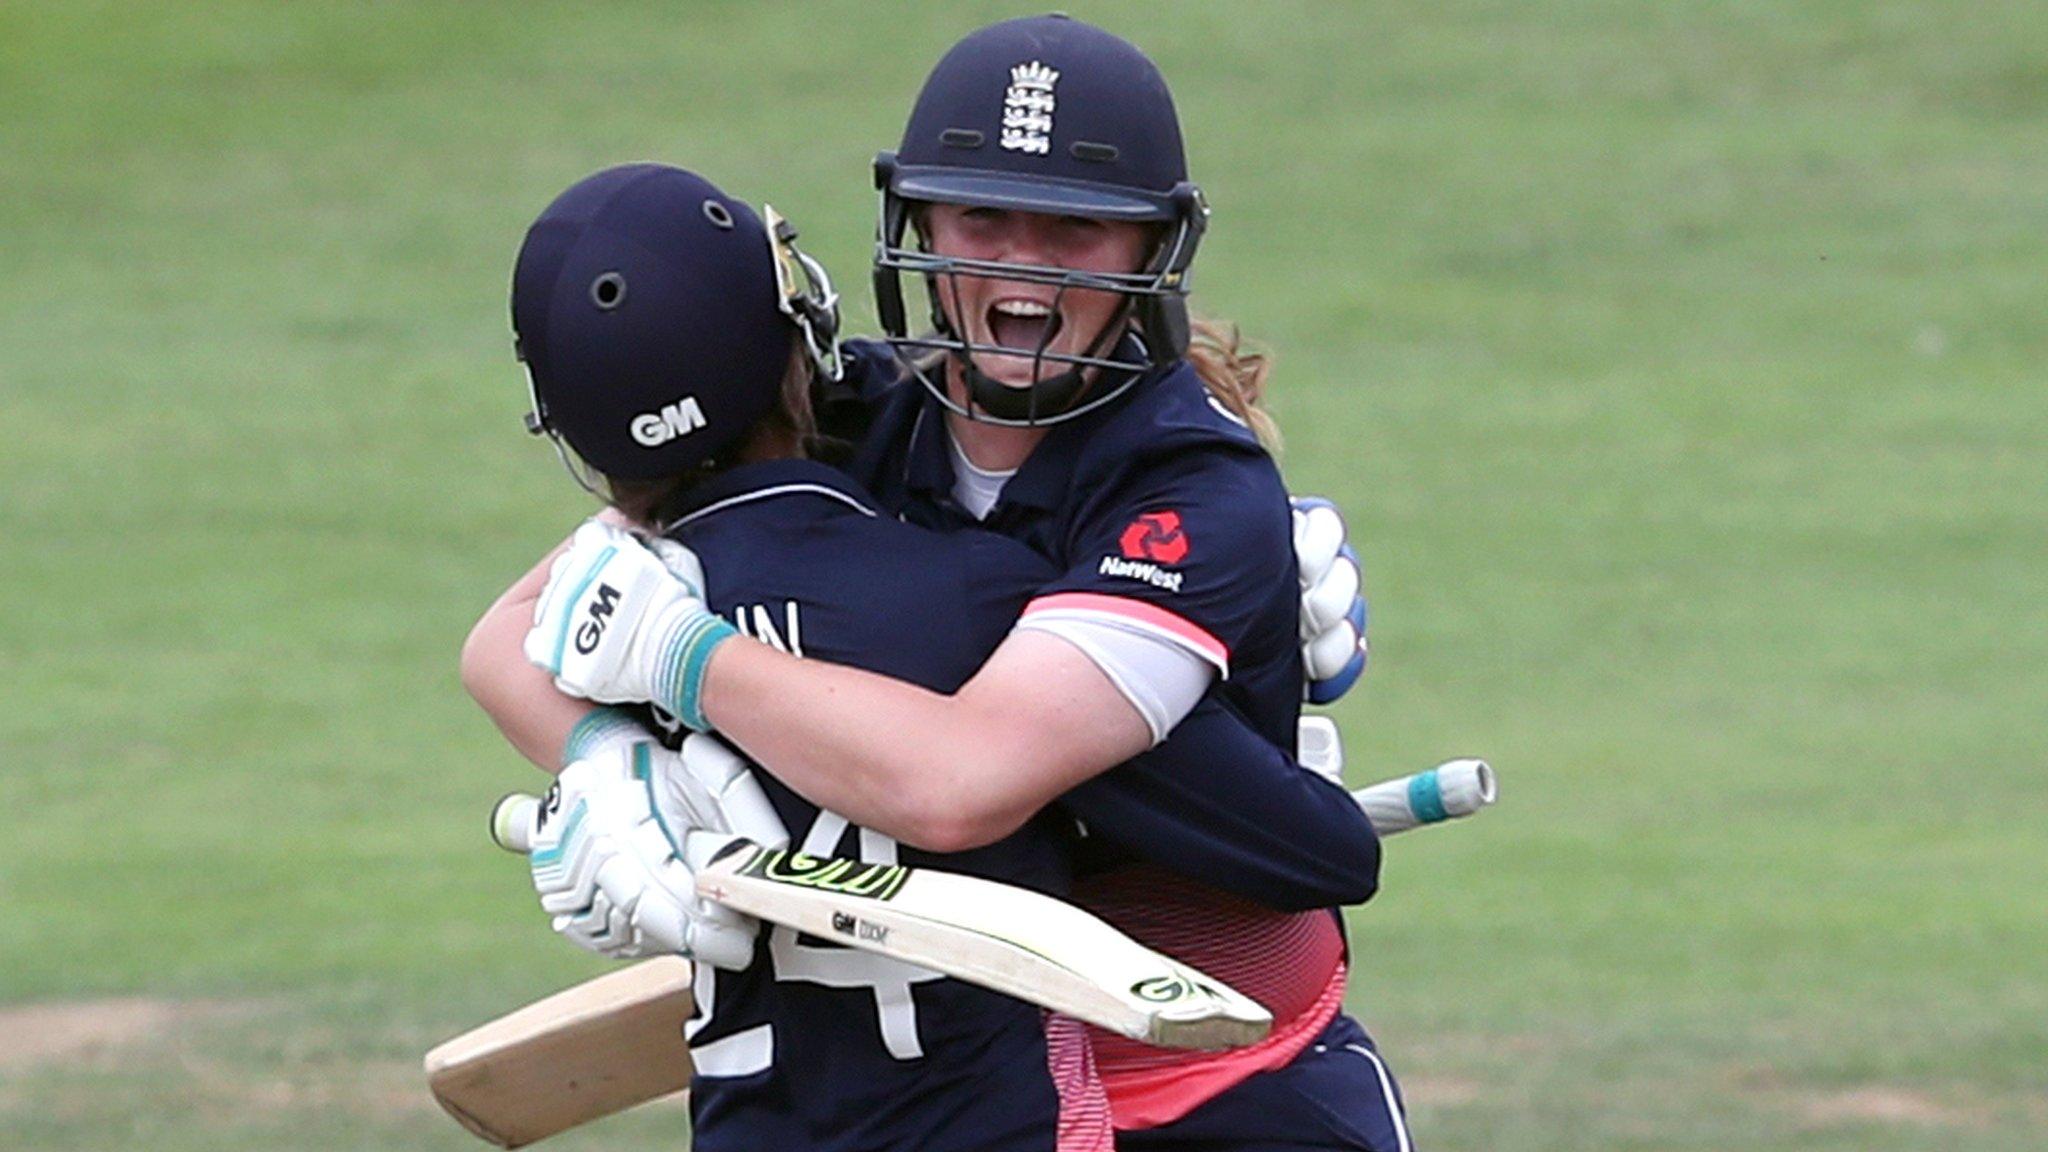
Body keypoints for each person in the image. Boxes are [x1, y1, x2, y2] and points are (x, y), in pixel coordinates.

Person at [517, 16, 1410, 1151]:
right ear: (918, 220)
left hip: (1223, 1085)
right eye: (982, 215)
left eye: (1074, 229)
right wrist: (603, 759)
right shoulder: (853, 418)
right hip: (965, 1088)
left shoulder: (1193, 489)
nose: (1019, 265)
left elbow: (964, 780)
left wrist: (687, 663)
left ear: (1151, 248)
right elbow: (524, 629)